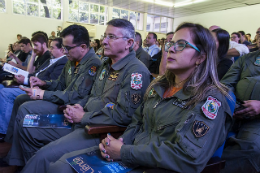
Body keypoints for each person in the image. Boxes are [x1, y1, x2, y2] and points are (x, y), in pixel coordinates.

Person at [46, 22, 234, 173]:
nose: (171, 49)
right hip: (132, 154)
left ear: (201, 57)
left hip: (156, 166)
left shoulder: (210, 99)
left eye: (181, 45)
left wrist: (124, 151)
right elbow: (137, 122)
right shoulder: (159, 86)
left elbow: (187, 157)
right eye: (169, 44)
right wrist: (122, 142)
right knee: (60, 166)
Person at [17, 18, 151, 173]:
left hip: (100, 131)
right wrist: (78, 107)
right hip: (83, 120)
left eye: (111, 37)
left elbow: (124, 116)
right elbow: (91, 95)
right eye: (105, 36)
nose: (104, 41)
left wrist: (83, 117)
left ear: (128, 43)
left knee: (43, 157)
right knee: (28, 127)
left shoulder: (136, 72)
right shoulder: (106, 65)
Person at [3, 24, 102, 168]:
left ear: (82, 47)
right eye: (64, 47)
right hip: (62, 99)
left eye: (68, 48)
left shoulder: (93, 64)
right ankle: (21, 158)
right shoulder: (72, 60)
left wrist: (42, 94)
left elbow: (74, 96)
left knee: (26, 109)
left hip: (70, 107)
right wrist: (44, 83)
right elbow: (60, 84)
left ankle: (28, 162)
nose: (65, 51)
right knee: (23, 104)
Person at [0, 38, 67, 141]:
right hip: (33, 85)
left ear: (62, 50)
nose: (49, 50)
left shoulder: (63, 61)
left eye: (52, 48)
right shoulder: (50, 59)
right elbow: (34, 73)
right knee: (4, 89)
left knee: (6, 93)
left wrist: (26, 80)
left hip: (39, 89)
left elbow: (51, 81)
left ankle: (4, 132)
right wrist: (25, 77)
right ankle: (9, 134)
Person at [221, 36, 260, 173]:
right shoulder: (247, 58)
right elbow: (226, 84)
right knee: (203, 134)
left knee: (252, 148)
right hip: (234, 110)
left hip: (257, 120)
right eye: (258, 33)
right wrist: (231, 104)